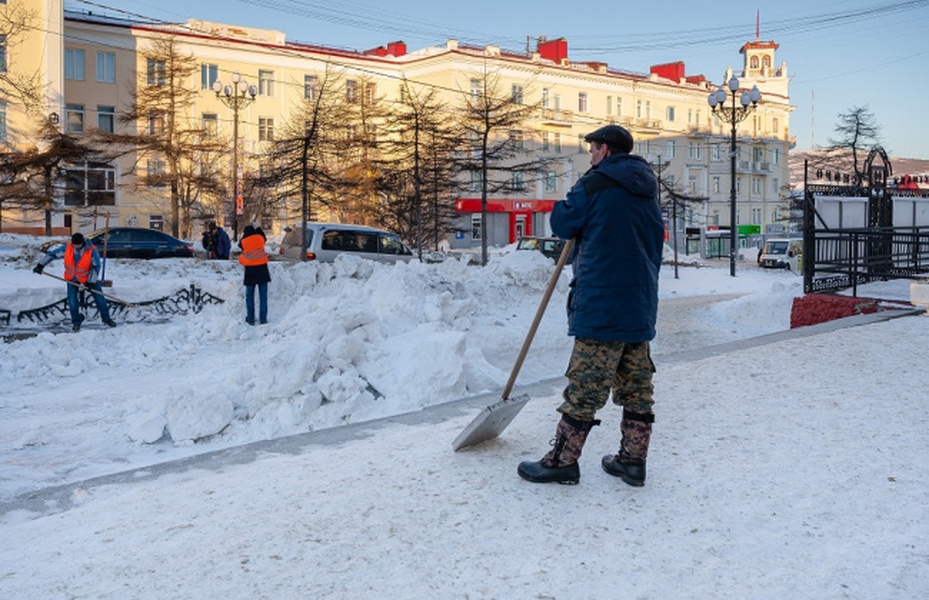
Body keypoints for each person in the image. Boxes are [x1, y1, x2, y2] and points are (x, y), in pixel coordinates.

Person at [517, 124, 664, 487]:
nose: (590, 156)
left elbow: (564, 223)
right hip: (640, 300)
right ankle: (633, 461)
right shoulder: (648, 189)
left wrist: (564, 202)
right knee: (636, 384)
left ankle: (562, 461)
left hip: (602, 301)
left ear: (606, 151)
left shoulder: (593, 184)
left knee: (585, 384)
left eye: (593, 149)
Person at [33, 232, 117, 332]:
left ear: (83, 243)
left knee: (100, 299)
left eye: (78, 244)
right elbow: (53, 255)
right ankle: (76, 323)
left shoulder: (91, 251)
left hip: (88, 279)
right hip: (72, 279)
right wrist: (40, 265)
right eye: (74, 244)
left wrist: (90, 281)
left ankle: (107, 319)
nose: (76, 246)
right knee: (72, 302)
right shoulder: (67, 248)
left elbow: (96, 267)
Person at [238, 225, 270, 325]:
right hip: (262, 270)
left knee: (250, 297)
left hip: (250, 272)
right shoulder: (260, 239)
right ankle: (263, 319)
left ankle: (251, 319)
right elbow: (264, 237)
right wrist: (259, 229)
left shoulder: (244, 241)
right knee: (263, 297)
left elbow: (240, 246)